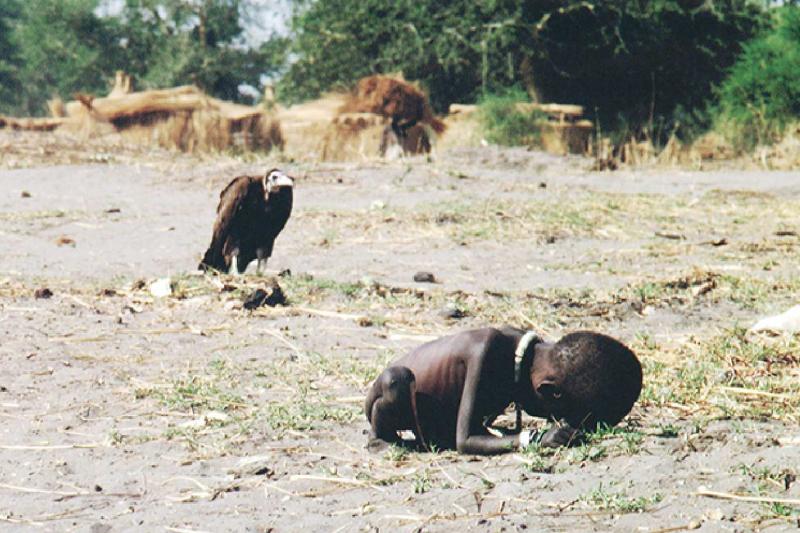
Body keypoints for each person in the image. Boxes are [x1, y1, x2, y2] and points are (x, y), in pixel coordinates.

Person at [364, 327, 642, 455]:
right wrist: (532, 439)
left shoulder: (528, 355)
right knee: (396, 383)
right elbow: (466, 440)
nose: (553, 420)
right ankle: (380, 438)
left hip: (437, 417)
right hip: (396, 398)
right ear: (549, 392)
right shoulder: (488, 351)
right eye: (558, 415)